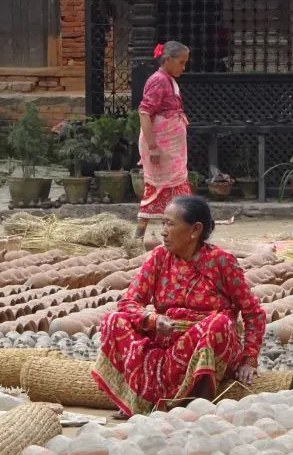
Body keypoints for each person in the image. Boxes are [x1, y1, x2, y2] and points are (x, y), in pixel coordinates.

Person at [91, 195, 266, 417]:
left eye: (170, 224)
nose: (163, 231)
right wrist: (153, 319)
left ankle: (193, 405)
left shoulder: (221, 261)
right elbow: (128, 302)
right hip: (166, 341)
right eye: (163, 223)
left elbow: (253, 313)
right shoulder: (159, 258)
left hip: (209, 343)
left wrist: (249, 360)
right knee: (113, 320)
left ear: (195, 230)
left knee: (218, 323)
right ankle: (138, 401)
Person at [135, 41, 192, 240]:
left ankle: (177, 235)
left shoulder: (167, 79)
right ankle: (139, 238)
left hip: (170, 150)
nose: (184, 67)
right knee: (160, 190)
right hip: (160, 148)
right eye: (181, 62)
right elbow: (144, 113)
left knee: (177, 190)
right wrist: (153, 147)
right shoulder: (158, 80)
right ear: (168, 60)